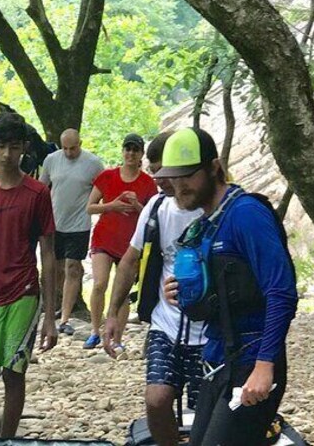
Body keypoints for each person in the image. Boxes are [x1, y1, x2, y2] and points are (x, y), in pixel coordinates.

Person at [154, 127, 298, 446]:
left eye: (188, 175)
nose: (179, 186)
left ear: (214, 168)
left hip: (253, 360)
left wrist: (265, 366)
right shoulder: (207, 225)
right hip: (218, 358)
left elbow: (282, 292)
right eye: (174, 177)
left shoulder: (247, 214)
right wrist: (182, 294)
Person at [102, 132, 204, 446]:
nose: (160, 181)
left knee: (206, 413)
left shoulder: (214, 208)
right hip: (166, 323)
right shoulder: (157, 208)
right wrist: (112, 315)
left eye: (166, 173)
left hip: (210, 329)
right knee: (156, 401)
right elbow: (131, 260)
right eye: (156, 173)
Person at [0, 112, 58, 445]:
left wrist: (50, 316)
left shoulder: (36, 194)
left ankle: (7, 440)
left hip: (24, 292)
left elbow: (48, 251)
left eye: (13, 147)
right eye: (0, 146)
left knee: (14, 373)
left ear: (24, 148)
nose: (6, 154)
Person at [85, 133, 157, 351]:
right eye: (127, 149)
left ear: (141, 155)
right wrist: (112, 206)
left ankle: (117, 338)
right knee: (99, 283)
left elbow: (153, 217)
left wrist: (137, 205)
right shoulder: (107, 176)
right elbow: (90, 207)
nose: (130, 153)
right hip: (104, 238)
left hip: (131, 242)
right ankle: (95, 330)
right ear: (122, 151)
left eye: (135, 150)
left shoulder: (147, 183)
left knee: (123, 291)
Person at [39, 128, 104, 335]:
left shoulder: (93, 163)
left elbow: (103, 190)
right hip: (55, 222)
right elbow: (42, 188)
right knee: (55, 268)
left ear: (81, 143)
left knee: (73, 268)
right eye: (65, 148)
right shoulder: (51, 160)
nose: (69, 152)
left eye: (73, 148)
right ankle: (55, 306)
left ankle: (65, 318)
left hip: (80, 223)